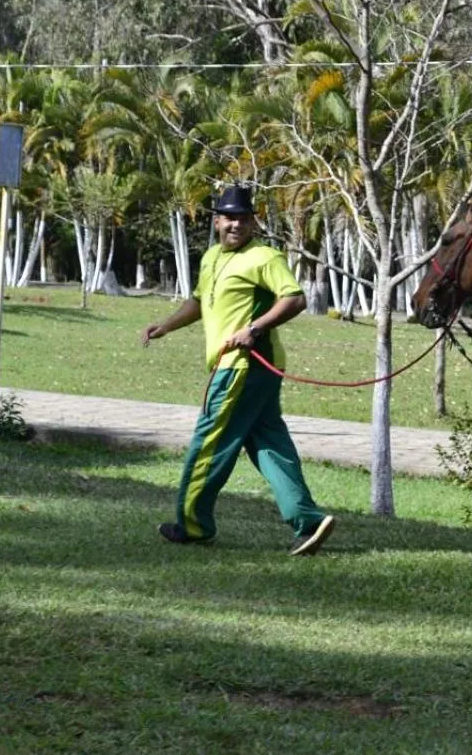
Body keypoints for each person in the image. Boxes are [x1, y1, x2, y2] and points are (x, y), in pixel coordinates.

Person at [141, 184, 335, 555]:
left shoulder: (264, 257)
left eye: (243, 218)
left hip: (242, 367)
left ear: (252, 222)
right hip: (251, 371)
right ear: (216, 221)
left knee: (209, 442)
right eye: (229, 217)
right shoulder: (211, 257)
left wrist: (254, 329)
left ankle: (193, 524)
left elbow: (294, 299)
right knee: (268, 443)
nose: (236, 224)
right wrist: (165, 326)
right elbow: (200, 301)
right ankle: (308, 520)